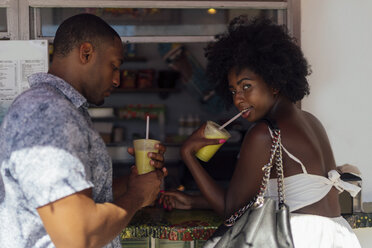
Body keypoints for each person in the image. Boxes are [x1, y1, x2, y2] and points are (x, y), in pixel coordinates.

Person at [160, 17, 361, 247]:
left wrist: (188, 153)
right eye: (233, 90)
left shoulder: (264, 133)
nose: (238, 98)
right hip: (336, 236)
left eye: (247, 86)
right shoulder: (311, 122)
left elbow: (231, 211)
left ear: (274, 83)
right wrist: (195, 202)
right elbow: (264, 199)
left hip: (299, 237)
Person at [0, 13, 167, 248]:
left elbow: (82, 198)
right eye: (114, 66)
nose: (118, 80)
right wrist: (137, 196)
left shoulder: (61, 109)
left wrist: (134, 184)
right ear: (86, 53)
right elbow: (77, 236)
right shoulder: (48, 113)